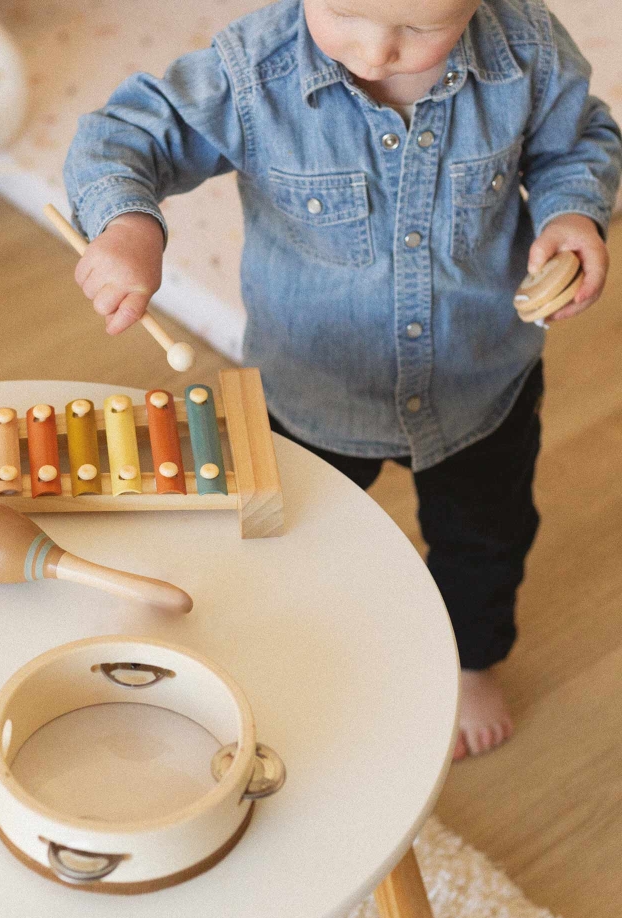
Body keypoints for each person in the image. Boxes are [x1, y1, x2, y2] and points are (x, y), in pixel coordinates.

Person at [62, 0, 622, 759]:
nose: (377, 50)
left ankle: (471, 658)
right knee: (285, 534)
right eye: (345, 14)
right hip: (312, 388)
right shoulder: (254, 71)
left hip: (479, 382)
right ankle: (281, 641)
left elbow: (580, 141)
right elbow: (124, 135)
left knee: (487, 539)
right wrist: (130, 224)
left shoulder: (530, 52)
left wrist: (572, 214)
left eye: (420, 29)